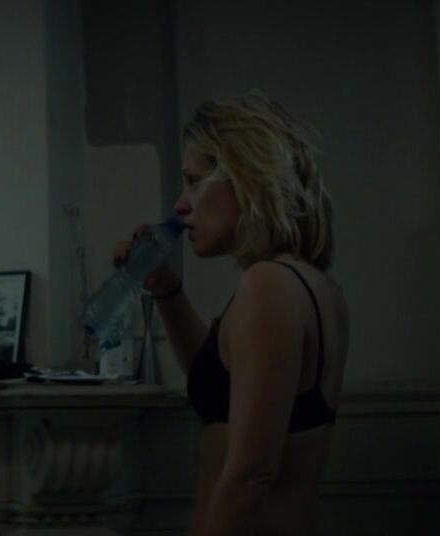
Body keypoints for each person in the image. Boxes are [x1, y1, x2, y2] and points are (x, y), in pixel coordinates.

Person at [115, 93, 350, 535]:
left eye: (194, 181)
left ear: (248, 180)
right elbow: (221, 380)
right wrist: (167, 289)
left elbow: (252, 472)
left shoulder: (268, 285)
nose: (180, 205)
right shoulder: (310, 284)